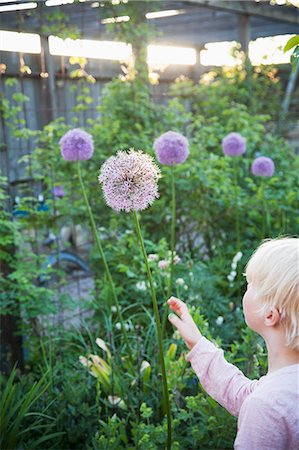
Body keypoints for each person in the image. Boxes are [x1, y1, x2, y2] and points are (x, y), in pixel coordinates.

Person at [168, 237, 299, 450]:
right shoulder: (281, 392)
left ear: (270, 315)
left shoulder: (266, 407)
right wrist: (198, 344)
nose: (244, 289)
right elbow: (244, 394)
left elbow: (258, 402)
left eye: (250, 285)